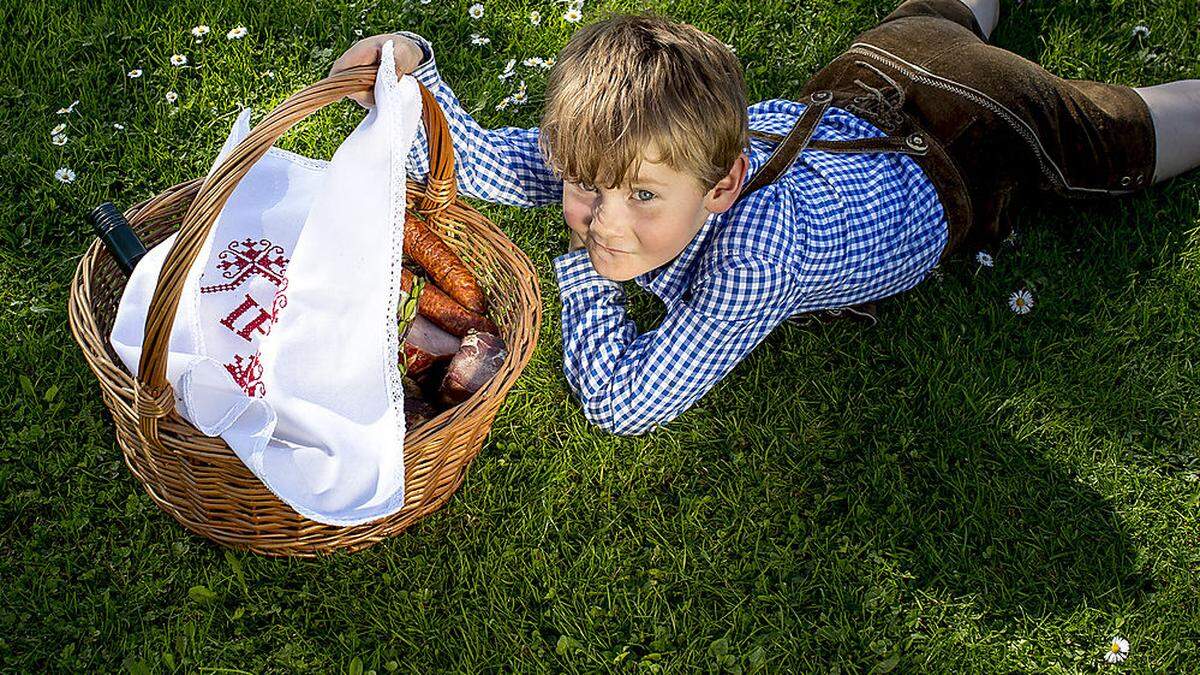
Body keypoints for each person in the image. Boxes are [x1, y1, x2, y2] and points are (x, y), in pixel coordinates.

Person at [330, 0, 1200, 436]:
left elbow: (622, 401)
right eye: (583, 188)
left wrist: (578, 270)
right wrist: (412, 66)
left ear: (720, 187)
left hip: (967, 144)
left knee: (1115, 135)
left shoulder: (754, 260)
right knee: (939, 14)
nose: (603, 221)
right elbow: (473, 157)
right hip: (873, 78)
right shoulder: (626, 152)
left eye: (640, 200)